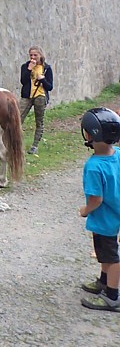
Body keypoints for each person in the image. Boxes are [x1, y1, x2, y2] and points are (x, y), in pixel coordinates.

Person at [78, 107, 120, 312]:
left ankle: (112, 295)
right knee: (104, 252)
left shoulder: (94, 166)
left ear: (90, 134)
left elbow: (96, 199)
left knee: (111, 256)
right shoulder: (118, 154)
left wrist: (85, 210)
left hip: (105, 218)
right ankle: (104, 281)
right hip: (116, 214)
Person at [19, 46, 54, 155]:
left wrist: (43, 79)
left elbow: (50, 87)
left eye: (35, 55)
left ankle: (35, 146)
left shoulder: (46, 68)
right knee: (18, 119)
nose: (33, 57)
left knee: (39, 121)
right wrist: (29, 69)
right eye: (31, 55)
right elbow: (23, 81)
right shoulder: (25, 66)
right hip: (27, 96)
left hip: (40, 96)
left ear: (40, 55)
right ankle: (17, 144)